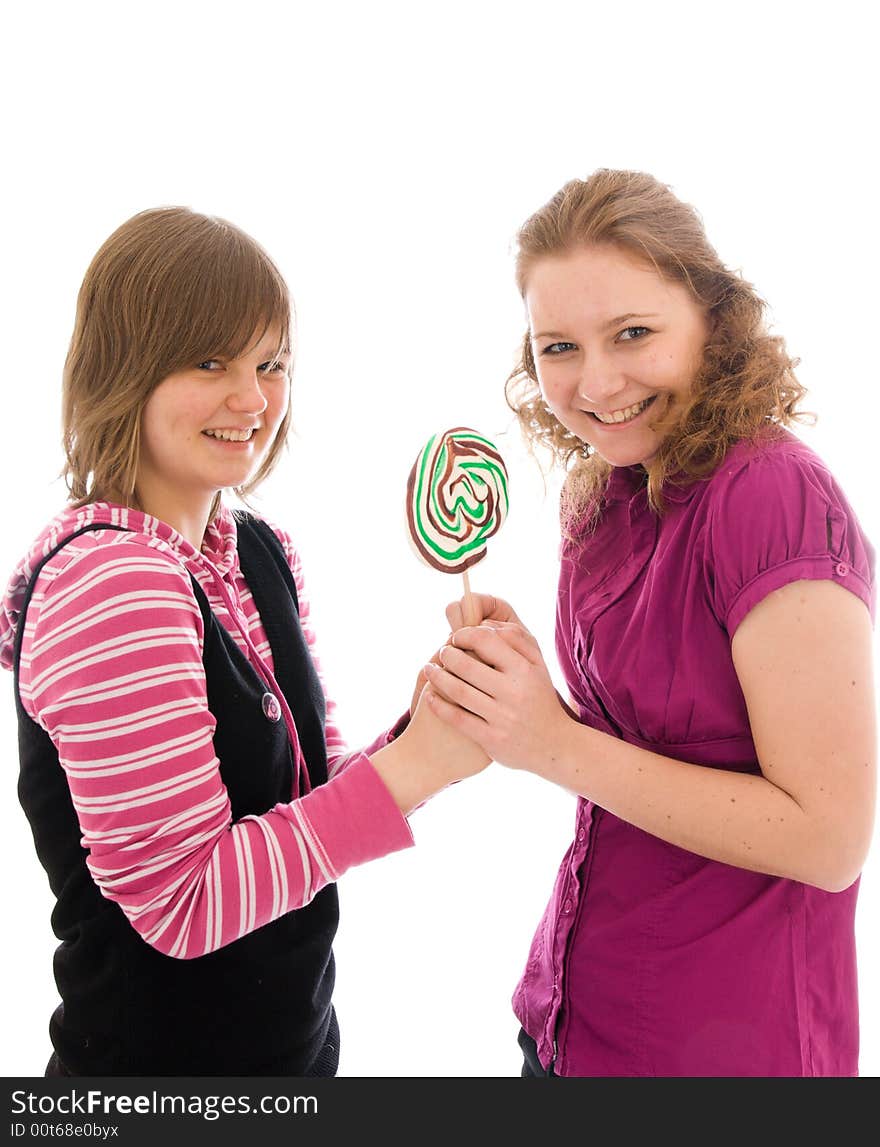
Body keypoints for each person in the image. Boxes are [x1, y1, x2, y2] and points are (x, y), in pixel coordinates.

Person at [0, 206, 488, 1077]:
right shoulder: (113, 583)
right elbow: (182, 903)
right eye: (210, 360)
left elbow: (310, 803)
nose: (253, 398)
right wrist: (418, 768)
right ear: (125, 370)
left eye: (271, 364)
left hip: (296, 1062)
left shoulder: (254, 548)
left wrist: (430, 727)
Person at [424, 169, 877, 1076]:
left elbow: (831, 838)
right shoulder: (609, 491)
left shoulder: (771, 494)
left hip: (719, 1055)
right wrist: (522, 689)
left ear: (713, 316)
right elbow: (636, 744)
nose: (594, 382)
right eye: (557, 346)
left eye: (633, 333)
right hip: (564, 1023)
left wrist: (547, 741)